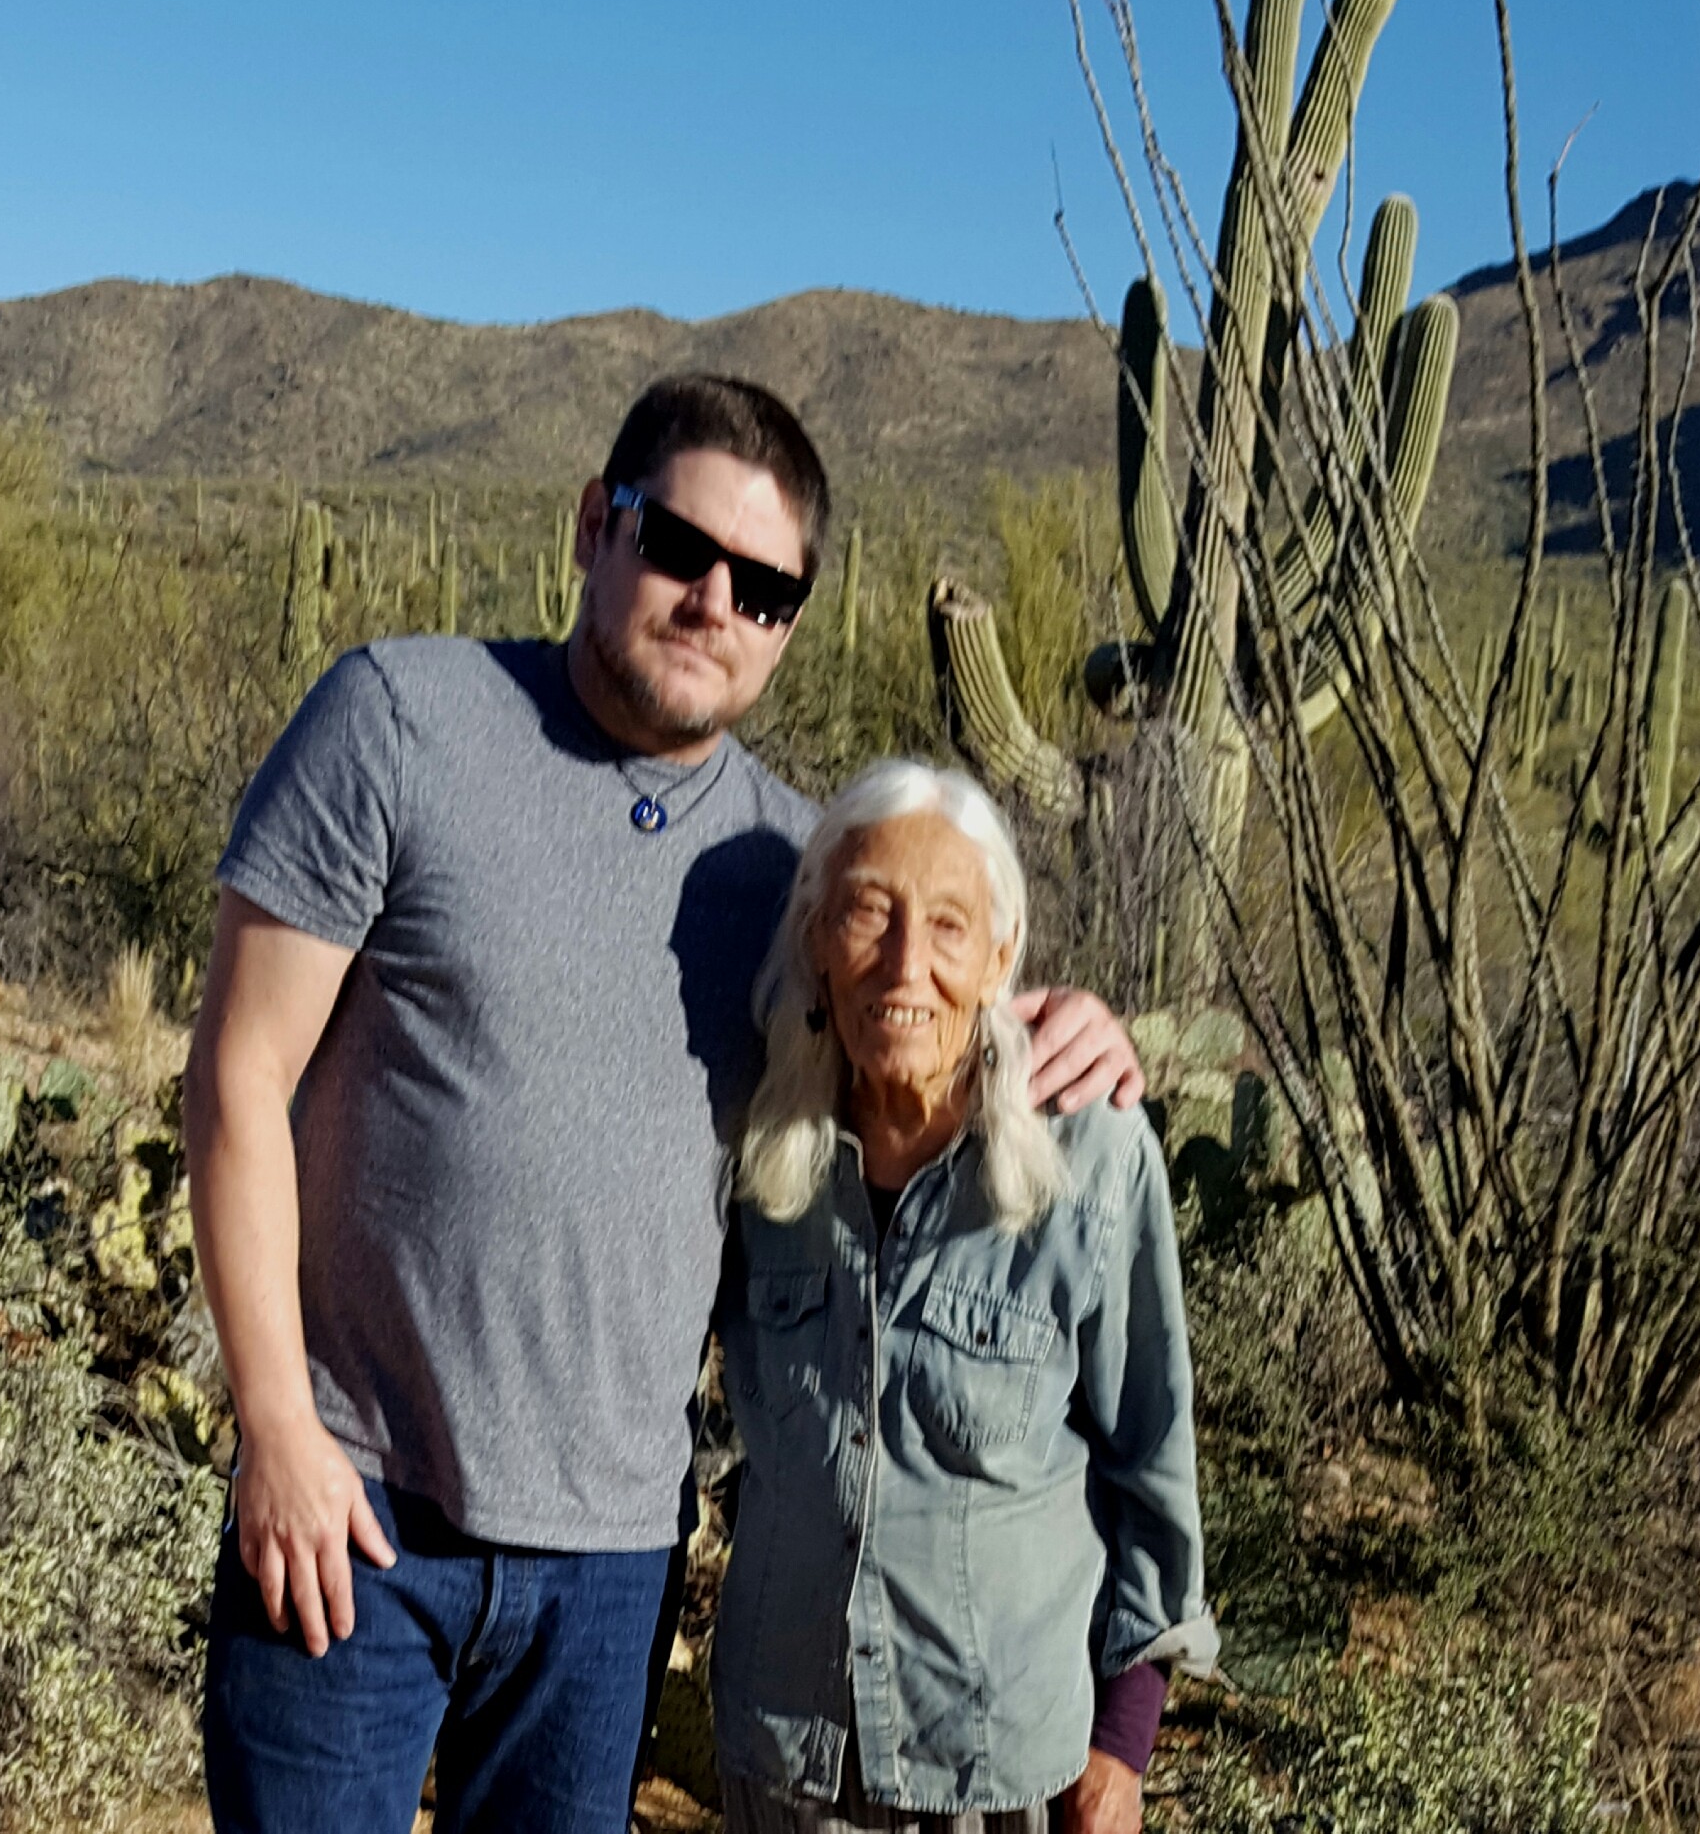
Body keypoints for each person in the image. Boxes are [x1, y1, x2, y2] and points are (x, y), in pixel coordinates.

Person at [185, 375, 1147, 1834]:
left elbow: (913, 1001)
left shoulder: (784, 865)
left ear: (791, 622)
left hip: (613, 1563)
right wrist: (274, 1426)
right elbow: (238, 1075)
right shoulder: (400, 719)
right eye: (679, 549)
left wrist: (1069, 1022)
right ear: (594, 526)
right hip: (352, 1510)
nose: (714, 601)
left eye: (764, 588)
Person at [713, 759, 1215, 1834]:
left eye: (948, 926)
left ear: (998, 959)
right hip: (783, 1757)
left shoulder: (1092, 1155)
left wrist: (1121, 1744)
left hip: (997, 1768)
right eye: (865, 913)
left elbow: (1150, 1457)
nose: (904, 964)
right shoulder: (753, 1156)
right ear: (813, 942)